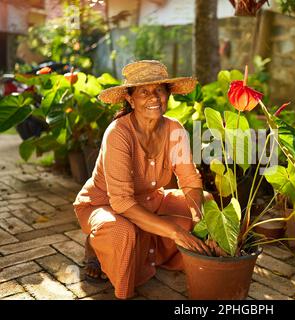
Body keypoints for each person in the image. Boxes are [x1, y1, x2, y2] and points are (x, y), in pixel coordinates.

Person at [73, 60, 211, 300]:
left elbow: (190, 181)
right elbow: (123, 203)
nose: (154, 97)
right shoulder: (118, 133)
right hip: (105, 204)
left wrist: (201, 222)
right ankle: (96, 247)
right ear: (130, 99)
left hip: (150, 200)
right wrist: (176, 232)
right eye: (144, 91)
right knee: (122, 232)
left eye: (159, 90)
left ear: (168, 95)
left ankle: (151, 249)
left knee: (204, 203)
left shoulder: (175, 129)